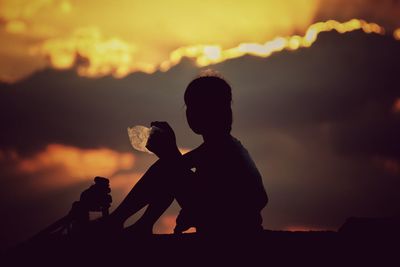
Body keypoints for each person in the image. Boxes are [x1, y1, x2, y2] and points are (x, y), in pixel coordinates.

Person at [106, 72, 268, 235]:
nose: (190, 112)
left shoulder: (224, 149)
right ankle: (138, 223)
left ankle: (117, 221)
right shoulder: (222, 146)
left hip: (232, 231)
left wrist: (168, 151)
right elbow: (179, 169)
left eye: (196, 106)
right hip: (227, 223)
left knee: (168, 166)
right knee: (169, 166)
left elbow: (173, 168)